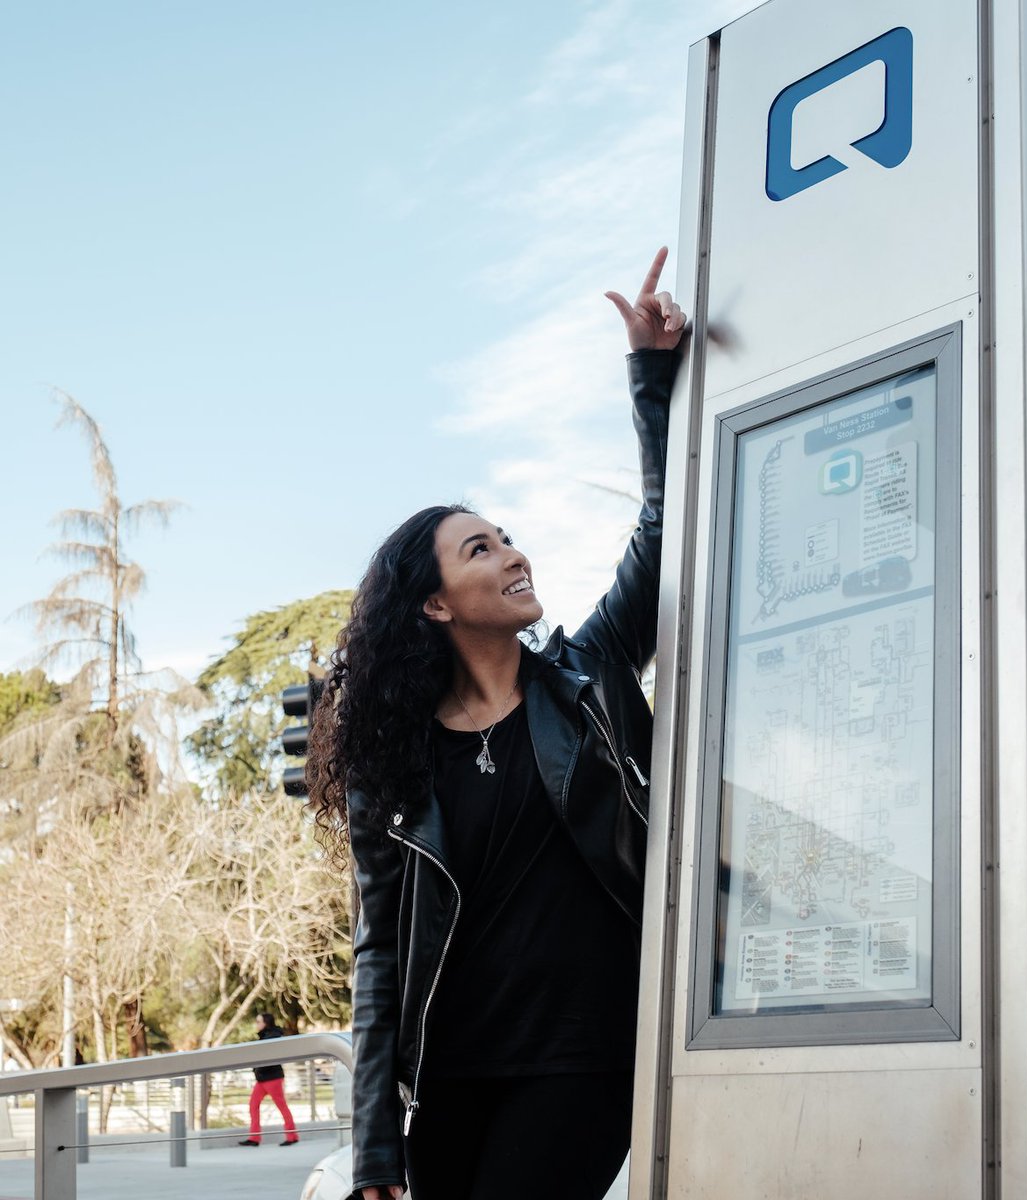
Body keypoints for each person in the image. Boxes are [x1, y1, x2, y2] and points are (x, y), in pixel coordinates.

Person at [306, 248, 686, 1200]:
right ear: (435, 605)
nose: (514, 553)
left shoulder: (586, 679)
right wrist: (376, 1150)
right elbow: (379, 956)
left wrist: (649, 377)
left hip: (586, 1056)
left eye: (507, 534)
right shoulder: (393, 766)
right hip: (452, 1081)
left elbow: (661, 526)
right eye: (482, 548)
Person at [237, 1012, 300, 1147]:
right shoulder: (264, 1036)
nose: (256, 1024)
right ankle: (254, 1138)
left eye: (258, 1022)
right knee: (253, 1106)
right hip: (261, 1079)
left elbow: (267, 1056)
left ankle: (292, 1136)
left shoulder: (273, 1036)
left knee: (282, 1107)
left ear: (265, 1023)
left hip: (273, 1078)